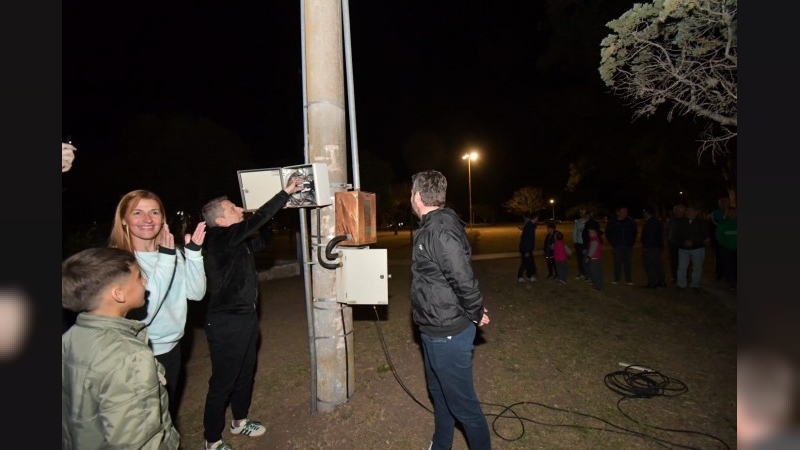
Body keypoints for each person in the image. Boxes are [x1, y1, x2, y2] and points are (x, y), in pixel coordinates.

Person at [199, 176, 306, 450]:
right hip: (226, 321)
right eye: (233, 208)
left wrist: (266, 223)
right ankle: (212, 439)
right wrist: (284, 194)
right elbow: (254, 222)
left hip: (246, 317)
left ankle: (240, 421)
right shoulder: (220, 238)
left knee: (246, 372)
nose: (239, 210)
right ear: (220, 220)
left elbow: (262, 240)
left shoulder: (236, 241)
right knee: (223, 380)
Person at [62, 247, 180, 450]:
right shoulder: (130, 356)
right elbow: (138, 441)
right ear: (118, 294)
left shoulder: (71, 337)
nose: (145, 282)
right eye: (138, 278)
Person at [409, 170, 492, 450]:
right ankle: (441, 443)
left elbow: (462, 277)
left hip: (448, 333)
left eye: (411, 192)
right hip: (433, 326)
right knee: (439, 392)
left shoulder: (439, 230)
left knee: (463, 406)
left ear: (417, 197)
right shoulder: (433, 225)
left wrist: (476, 310)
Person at [108, 189, 208, 421]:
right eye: (138, 213)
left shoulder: (173, 253)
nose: (147, 219)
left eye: (154, 212)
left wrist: (193, 255)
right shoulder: (118, 261)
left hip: (172, 349)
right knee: (145, 425)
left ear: (163, 218)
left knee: (166, 417)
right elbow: (142, 317)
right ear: (124, 219)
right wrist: (165, 257)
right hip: (140, 355)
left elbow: (196, 293)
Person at [673, 204, 709, 290]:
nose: (688, 213)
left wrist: (693, 241)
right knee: (682, 267)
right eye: (687, 211)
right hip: (683, 248)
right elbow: (676, 234)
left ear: (696, 212)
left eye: (690, 211)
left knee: (697, 267)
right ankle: (681, 284)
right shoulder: (681, 222)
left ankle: (695, 284)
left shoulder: (702, 222)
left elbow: (704, 234)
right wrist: (683, 241)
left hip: (697, 248)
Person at [605, 206, 637, 285]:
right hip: (617, 245)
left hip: (628, 245)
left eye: (626, 211)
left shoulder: (630, 221)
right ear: (617, 212)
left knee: (627, 262)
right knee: (617, 262)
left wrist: (631, 241)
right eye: (623, 211)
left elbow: (634, 232)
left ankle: (628, 279)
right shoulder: (613, 222)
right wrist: (613, 242)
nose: (625, 213)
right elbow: (608, 232)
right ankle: (617, 278)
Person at [640, 207, 666, 288]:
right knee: (657, 264)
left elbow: (648, 236)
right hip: (656, 247)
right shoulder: (657, 222)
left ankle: (652, 282)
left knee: (650, 265)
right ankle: (661, 281)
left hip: (650, 247)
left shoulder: (650, 223)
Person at [714, 206, 737, 290]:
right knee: (729, 265)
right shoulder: (723, 224)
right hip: (727, 249)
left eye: (734, 212)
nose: (732, 214)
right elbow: (719, 236)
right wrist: (727, 245)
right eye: (730, 212)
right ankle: (731, 282)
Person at [709, 196, 730, 281]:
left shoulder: (732, 211)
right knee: (720, 257)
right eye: (722, 203)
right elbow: (718, 224)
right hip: (719, 239)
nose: (724, 204)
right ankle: (719, 273)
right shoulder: (715, 213)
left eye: (726, 202)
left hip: (731, 239)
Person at [665, 204, 686, 283]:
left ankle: (684, 276)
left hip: (683, 244)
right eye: (678, 210)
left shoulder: (686, 220)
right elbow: (667, 230)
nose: (679, 212)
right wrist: (667, 239)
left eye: (681, 210)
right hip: (673, 243)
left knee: (684, 261)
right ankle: (675, 277)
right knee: (674, 261)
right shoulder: (671, 220)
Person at [516, 213, 538, 282]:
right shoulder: (529, 227)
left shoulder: (530, 225)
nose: (537, 220)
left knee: (530, 262)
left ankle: (529, 276)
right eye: (537, 218)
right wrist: (528, 251)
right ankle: (520, 277)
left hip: (527, 248)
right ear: (535, 218)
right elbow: (528, 239)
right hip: (526, 248)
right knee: (524, 262)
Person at [584, 223, 604, 290]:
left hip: (594, 259)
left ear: (595, 233)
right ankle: (599, 283)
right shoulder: (595, 239)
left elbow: (592, 251)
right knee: (598, 271)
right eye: (589, 232)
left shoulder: (594, 241)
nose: (590, 234)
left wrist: (588, 258)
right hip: (597, 258)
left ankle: (598, 286)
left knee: (595, 272)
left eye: (591, 232)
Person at [572, 208, 588, 280]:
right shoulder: (577, 222)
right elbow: (574, 233)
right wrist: (575, 242)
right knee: (580, 259)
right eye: (581, 212)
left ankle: (587, 274)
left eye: (583, 212)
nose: (582, 214)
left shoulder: (589, 221)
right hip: (579, 243)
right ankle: (581, 273)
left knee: (587, 259)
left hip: (587, 244)